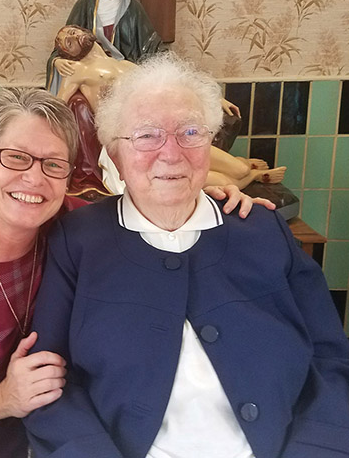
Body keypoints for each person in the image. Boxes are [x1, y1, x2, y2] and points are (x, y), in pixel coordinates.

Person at [0, 87, 260, 457]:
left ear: (69, 178)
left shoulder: (76, 230)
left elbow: (151, 209)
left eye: (53, 164)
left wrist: (190, 193)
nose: (33, 177)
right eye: (15, 157)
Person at [24, 54, 349, 458]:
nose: (171, 153)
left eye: (191, 132)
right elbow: (48, 380)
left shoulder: (264, 231)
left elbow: (332, 358)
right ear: (114, 155)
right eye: (146, 135)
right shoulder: (77, 240)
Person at [55, 24, 286, 194]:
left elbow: (167, 84)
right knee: (227, 181)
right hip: (134, 138)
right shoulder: (76, 71)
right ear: (66, 53)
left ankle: (246, 166)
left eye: (73, 31)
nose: (73, 37)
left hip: (168, 128)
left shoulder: (123, 64)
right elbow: (56, 107)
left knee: (236, 170)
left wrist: (215, 99)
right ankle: (254, 173)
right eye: (67, 41)